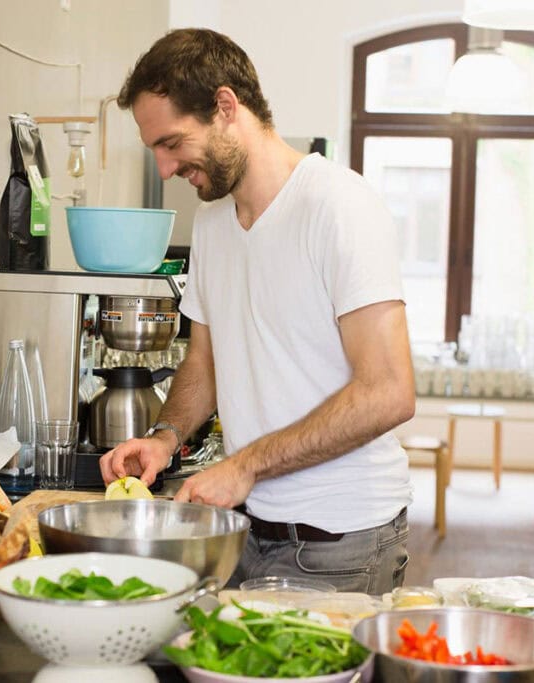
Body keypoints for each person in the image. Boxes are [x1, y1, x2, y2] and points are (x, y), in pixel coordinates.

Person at [99, 28, 416, 593]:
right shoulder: (213, 223)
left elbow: (389, 391)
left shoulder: (339, 206)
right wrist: (167, 437)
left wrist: (245, 465)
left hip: (338, 542)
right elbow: (205, 361)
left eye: (172, 143)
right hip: (243, 529)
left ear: (225, 106)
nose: (166, 169)